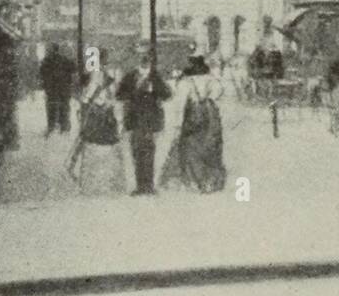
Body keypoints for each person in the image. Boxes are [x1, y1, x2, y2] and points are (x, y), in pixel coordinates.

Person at [161, 54, 226, 193]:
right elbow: (219, 92)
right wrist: (208, 100)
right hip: (210, 117)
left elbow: (180, 104)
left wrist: (178, 125)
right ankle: (211, 181)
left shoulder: (187, 82)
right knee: (210, 146)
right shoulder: (211, 79)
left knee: (191, 147)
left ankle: (195, 181)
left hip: (193, 116)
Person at [116, 45, 171, 195]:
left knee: (149, 152)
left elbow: (167, 95)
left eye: (146, 56)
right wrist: (133, 93)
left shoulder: (155, 77)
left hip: (151, 121)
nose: (144, 59)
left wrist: (155, 90)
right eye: (141, 56)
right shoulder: (130, 76)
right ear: (137, 58)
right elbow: (119, 95)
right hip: (135, 120)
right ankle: (141, 186)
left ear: (151, 58)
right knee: (137, 151)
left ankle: (149, 186)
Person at [74, 59, 126, 196]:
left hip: (95, 122)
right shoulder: (109, 81)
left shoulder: (94, 80)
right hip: (106, 122)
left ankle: (90, 187)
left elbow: (85, 100)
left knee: (92, 150)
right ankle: (111, 186)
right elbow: (115, 102)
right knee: (108, 152)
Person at [40, 42, 75, 136]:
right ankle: (64, 126)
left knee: (51, 106)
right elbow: (73, 69)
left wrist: (46, 83)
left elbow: (42, 73)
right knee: (64, 106)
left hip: (52, 88)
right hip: (64, 88)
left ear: (51, 50)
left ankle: (51, 126)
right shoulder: (65, 59)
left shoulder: (47, 60)